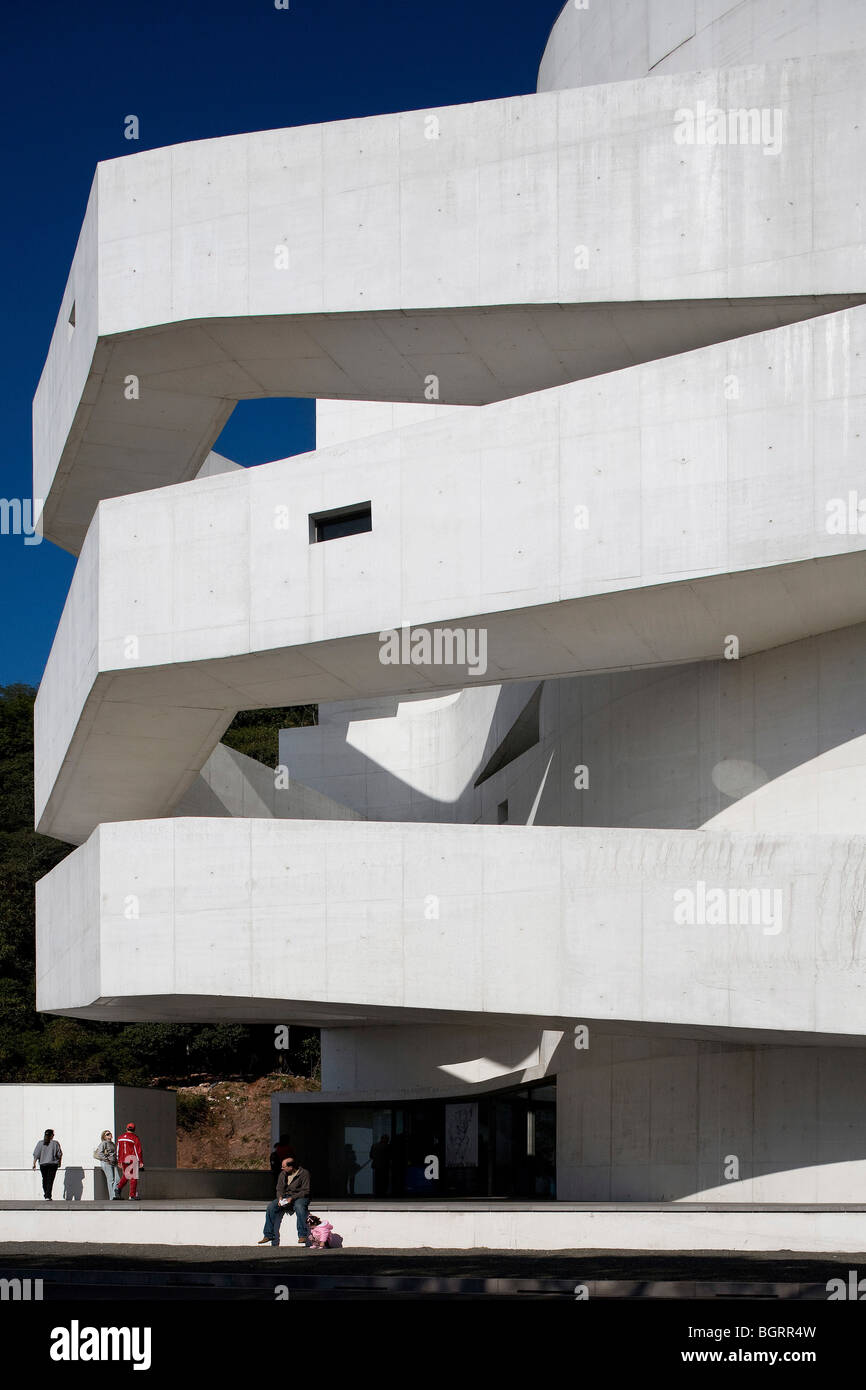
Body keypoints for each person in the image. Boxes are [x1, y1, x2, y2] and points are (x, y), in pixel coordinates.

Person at [258, 1154, 311, 1247]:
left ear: (291, 1167)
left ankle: (302, 1235)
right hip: (286, 1196)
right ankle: (268, 1235)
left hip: (300, 1196)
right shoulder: (283, 1174)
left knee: (299, 1207)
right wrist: (280, 1198)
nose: (282, 1168)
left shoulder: (304, 1173)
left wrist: (293, 1198)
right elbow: (279, 1188)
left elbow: (306, 1190)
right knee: (271, 1207)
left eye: (284, 1166)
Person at [115, 1122, 144, 1200]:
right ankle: (132, 1195)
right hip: (132, 1158)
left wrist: (119, 1161)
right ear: (134, 1129)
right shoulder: (134, 1138)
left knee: (126, 1175)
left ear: (126, 1128)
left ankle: (118, 1188)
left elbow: (118, 1150)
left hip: (124, 1159)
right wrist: (140, 1161)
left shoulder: (120, 1137)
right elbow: (138, 1150)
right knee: (133, 1177)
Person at [32, 1129, 62, 1200]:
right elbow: (59, 1154)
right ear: (51, 1135)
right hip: (52, 1164)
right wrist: (59, 1163)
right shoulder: (55, 1143)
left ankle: (46, 1194)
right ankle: (48, 1195)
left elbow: (36, 1154)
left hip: (43, 1164)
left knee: (45, 1179)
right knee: (50, 1180)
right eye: (53, 1134)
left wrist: (34, 1163)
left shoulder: (40, 1143)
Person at [94, 1130, 121, 1200]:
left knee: (118, 1179)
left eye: (110, 1133)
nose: (110, 1135)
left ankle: (115, 1194)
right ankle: (113, 1197)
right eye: (107, 1134)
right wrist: (106, 1159)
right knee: (111, 1180)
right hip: (106, 1163)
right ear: (104, 1136)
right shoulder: (103, 1143)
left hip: (113, 1163)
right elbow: (100, 1153)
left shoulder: (112, 1143)